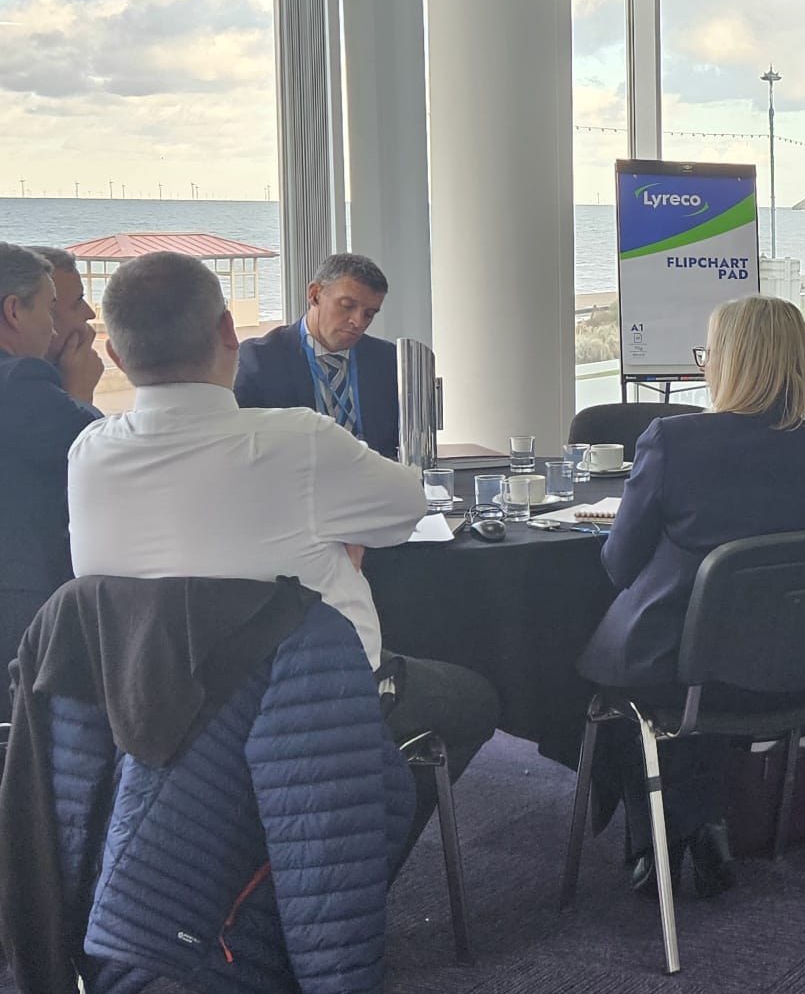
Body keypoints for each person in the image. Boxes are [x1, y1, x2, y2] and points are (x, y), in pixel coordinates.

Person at [65, 251, 497, 859]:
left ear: (115, 355)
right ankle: (352, 859)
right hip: (307, 702)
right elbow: (407, 506)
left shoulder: (88, 454)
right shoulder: (302, 439)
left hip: (150, 706)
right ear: (227, 334)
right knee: (471, 698)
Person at [577, 295, 805, 898]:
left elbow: (617, 565)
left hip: (685, 672)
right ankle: (699, 824)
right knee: (701, 663)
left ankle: (664, 833)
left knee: (631, 671)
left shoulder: (674, 442)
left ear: (729, 362)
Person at [0, 244, 103, 657]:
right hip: (20, 606)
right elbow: (96, 457)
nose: (54, 327)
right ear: (13, 311)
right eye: (51, 306)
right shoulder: (19, 381)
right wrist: (77, 392)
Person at [234, 252, 401, 460]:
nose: (358, 322)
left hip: (374, 485)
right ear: (315, 295)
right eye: (347, 306)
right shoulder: (258, 361)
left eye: (369, 314)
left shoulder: (387, 361)